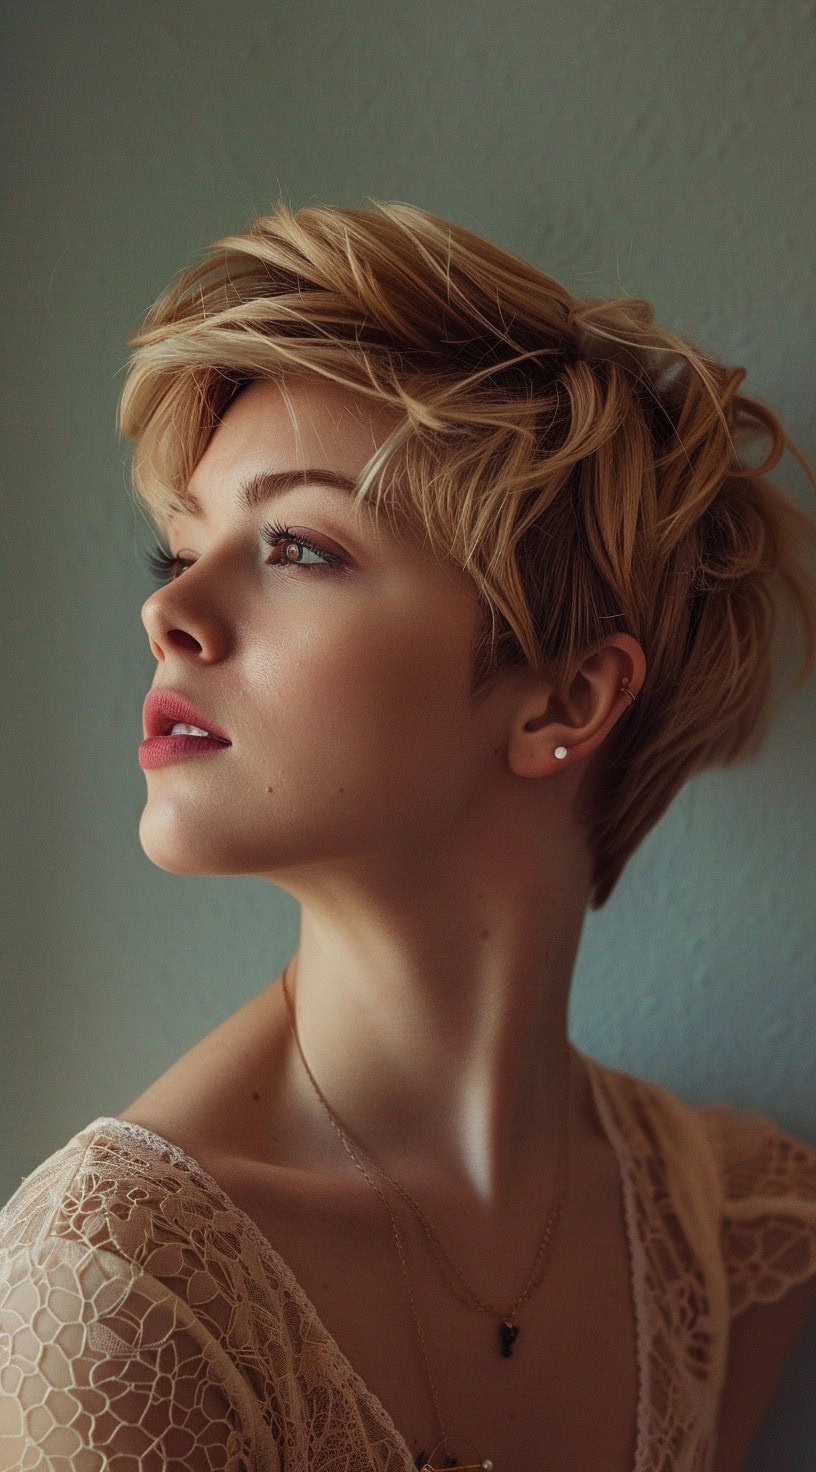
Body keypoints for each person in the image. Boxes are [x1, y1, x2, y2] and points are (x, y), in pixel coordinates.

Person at [1, 200, 815, 1472]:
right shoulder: (115, 1289)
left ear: (564, 698)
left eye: (294, 544)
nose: (171, 609)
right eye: (180, 546)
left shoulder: (740, 1233)